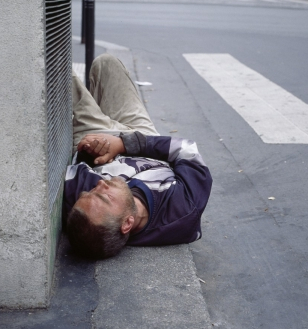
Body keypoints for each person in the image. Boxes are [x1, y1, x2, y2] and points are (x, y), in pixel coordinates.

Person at [64, 54, 213, 259]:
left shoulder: (91, 208)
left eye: (88, 192)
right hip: (145, 141)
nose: (100, 185)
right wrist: (127, 143)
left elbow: (75, 167)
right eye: (105, 195)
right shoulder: (182, 209)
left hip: (108, 142)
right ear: (127, 223)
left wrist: (91, 153)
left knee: (104, 64)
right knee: (71, 64)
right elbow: (187, 151)